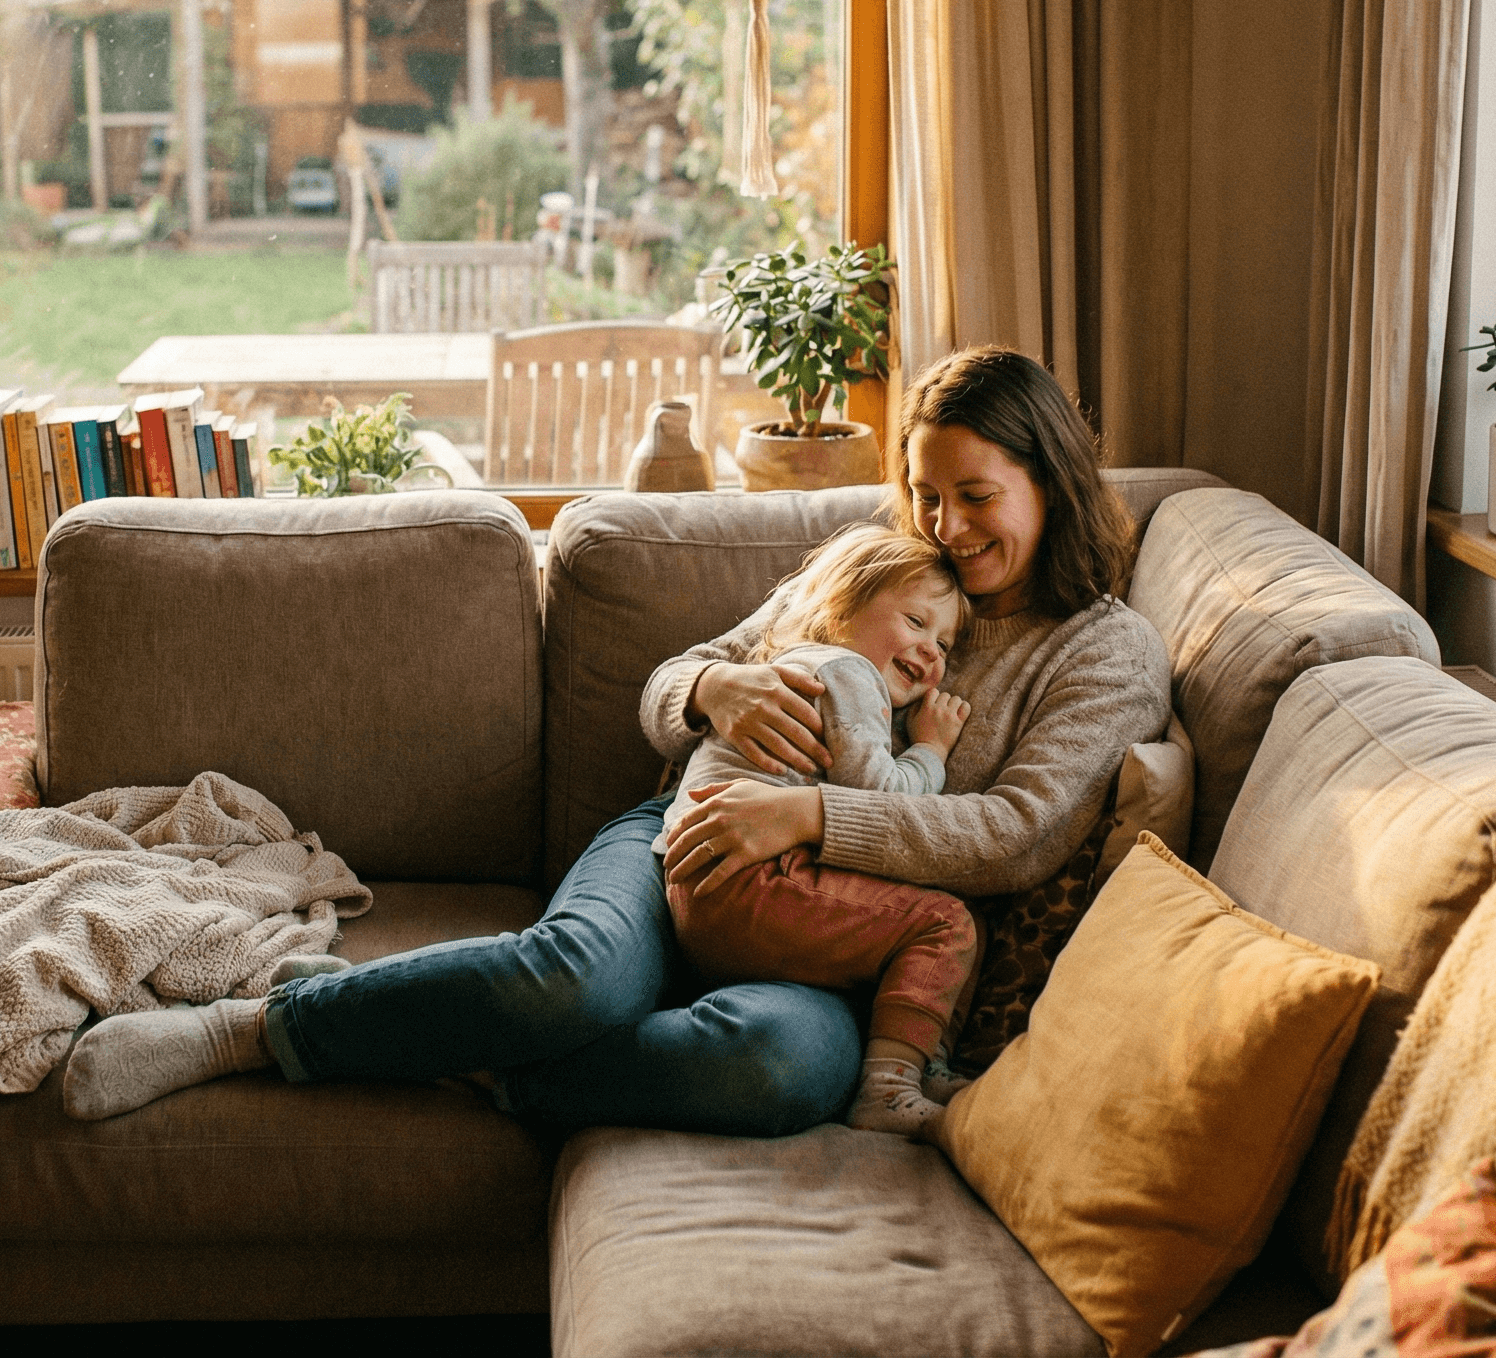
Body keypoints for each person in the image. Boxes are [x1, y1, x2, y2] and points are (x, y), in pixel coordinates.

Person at [62, 346, 1172, 1134]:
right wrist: (717, 693)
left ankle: (453, 1057)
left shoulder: (1102, 650)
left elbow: (1019, 835)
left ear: (1051, 480)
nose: (943, 526)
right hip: (682, 834)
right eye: (924, 493)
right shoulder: (884, 567)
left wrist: (810, 816)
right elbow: (671, 680)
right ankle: (249, 1030)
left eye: (974, 496)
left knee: (774, 1067)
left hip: (834, 934)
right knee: (571, 985)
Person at [658, 522, 980, 1138]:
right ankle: (890, 1088)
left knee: (943, 925)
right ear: (841, 609)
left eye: (944, 643)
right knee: (947, 924)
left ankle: (919, 1061)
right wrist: (931, 749)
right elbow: (882, 800)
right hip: (746, 877)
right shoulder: (846, 673)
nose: (932, 652)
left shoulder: (800, 665)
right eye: (916, 623)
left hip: (702, 879)